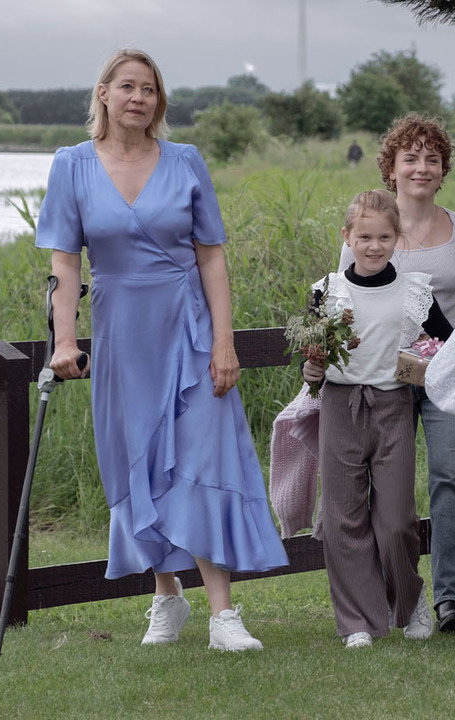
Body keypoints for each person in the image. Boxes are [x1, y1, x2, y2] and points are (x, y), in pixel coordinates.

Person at [37, 48, 288, 652]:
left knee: (203, 457)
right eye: (127, 86)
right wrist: (65, 340)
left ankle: (223, 616)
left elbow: (212, 258)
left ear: (159, 101)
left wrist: (224, 344)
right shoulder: (72, 165)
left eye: (148, 89)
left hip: (189, 329)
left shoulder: (185, 160)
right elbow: (65, 264)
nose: (138, 98)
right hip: (123, 333)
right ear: (103, 93)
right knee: (140, 461)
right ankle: (167, 596)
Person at [339, 112, 455, 634]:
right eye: (411, 158)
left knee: (451, 475)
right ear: (391, 168)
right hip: (385, 378)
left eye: (432, 159)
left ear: (443, 170)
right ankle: (391, 595)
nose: (422, 168)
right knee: (386, 492)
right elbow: (345, 301)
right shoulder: (370, 225)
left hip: (446, 373)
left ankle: (450, 599)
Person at [305, 189, 454, 649]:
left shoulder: (415, 292)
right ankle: (359, 621)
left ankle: (409, 600)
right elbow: (311, 354)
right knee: (343, 518)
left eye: (384, 237)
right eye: (364, 237)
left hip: (392, 408)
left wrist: (433, 362)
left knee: (395, 521)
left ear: (397, 238)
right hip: (340, 407)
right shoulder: (327, 292)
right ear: (347, 236)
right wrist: (309, 370)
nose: (374, 246)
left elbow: (448, 344)